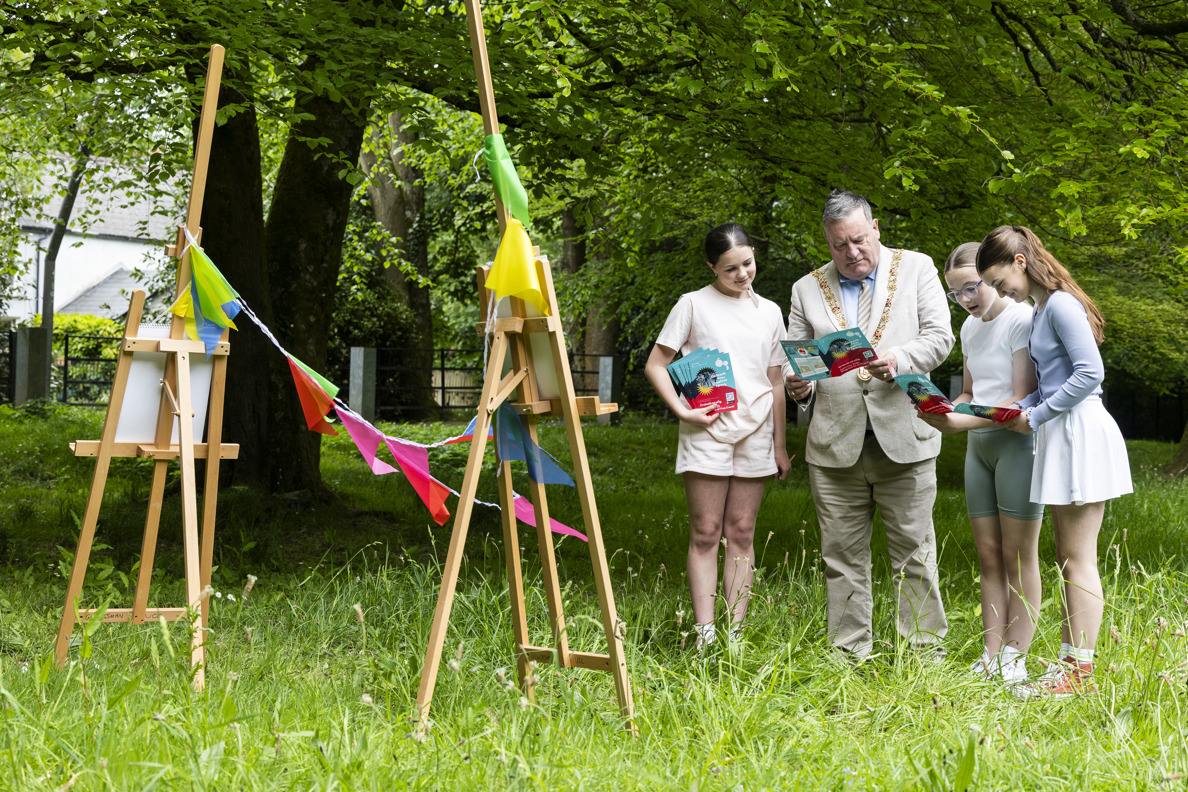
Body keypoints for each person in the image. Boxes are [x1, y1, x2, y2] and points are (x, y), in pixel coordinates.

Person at [784, 190, 954, 660]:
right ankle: (847, 653)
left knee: (915, 555)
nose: (851, 252)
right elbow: (793, 360)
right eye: (839, 246)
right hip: (835, 444)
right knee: (840, 559)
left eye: (859, 240)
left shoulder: (917, 267)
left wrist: (898, 359)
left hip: (906, 437)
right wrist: (798, 385)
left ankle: (923, 654)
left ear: (875, 228)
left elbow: (941, 338)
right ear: (827, 242)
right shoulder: (805, 288)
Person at [975, 224, 1132, 697]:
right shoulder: (1041, 310)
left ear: (1020, 262)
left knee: (1078, 558)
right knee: (1067, 557)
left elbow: (1090, 373)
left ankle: (1078, 673)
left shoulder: (1061, 304)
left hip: (1080, 429)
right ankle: (1070, 664)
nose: (1000, 291)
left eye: (1001, 281)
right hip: (1060, 430)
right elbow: (1050, 382)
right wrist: (1018, 410)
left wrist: (1037, 414)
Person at [645, 222, 791, 647]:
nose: (743, 274)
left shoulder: (769, 312)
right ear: (711, 267)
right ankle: (706, 633)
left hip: (758, 430)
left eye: (747, 263)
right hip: (705, 430)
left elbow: (775, 380)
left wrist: (780, 446)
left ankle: (736, 633)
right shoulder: (692, 305)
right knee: (707, 531)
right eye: (730, 269)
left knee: (742, 532)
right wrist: (683, 411)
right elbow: (657, 364)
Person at [916, 242, 1043, 685]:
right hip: (978, 448)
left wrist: (959, 422)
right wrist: (945, 410)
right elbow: (971, 393)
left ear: (990, 278)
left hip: (1014, 444)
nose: (966, 300)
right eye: (956, 294)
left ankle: (1016, 657)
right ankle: (991, 654)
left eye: (972, 288)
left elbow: (1019, 397)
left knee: (1018, 554)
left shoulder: (1020, 318)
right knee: (988, 554)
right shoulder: (969, 329)